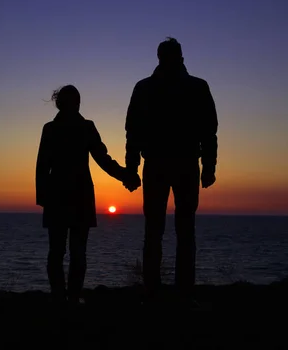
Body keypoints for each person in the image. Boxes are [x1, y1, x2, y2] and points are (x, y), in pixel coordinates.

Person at [124, 37, 218, 305]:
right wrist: (208, 166)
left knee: (159, 229)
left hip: (164, 165)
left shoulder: (146, 88)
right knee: (181, 229)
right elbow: (208, 132)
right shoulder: (196, 87)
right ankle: (180, 290)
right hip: (180, 164)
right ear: (181, 57)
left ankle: (155, 289)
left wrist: (132, 169)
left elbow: (134, 132)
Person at [36, 84, 138, 306]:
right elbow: (103, 160)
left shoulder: (51, 129)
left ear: (59, 103)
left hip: (57, 197)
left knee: (57, 251)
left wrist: (43, 197)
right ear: (77, 103)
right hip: (80, 196)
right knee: (76, 251)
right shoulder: (85, 127)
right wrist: (126, 176)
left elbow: (42, 166)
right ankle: (71, 297)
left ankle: (59, 297)